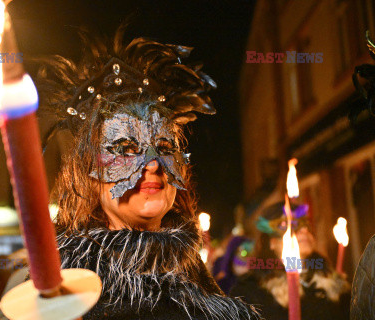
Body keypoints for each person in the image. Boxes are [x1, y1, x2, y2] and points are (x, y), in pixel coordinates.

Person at [28, 26, 261, 319]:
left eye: (164, 147)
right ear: (86, 172)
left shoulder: (192, 271)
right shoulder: (61, 288)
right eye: (125, 148)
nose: (152, 164)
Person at [230, 202, 351, 320]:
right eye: (288, 225)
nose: (303, 230)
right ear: (271, 242)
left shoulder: (335, 284)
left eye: (306, 224)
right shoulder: (249, 292)